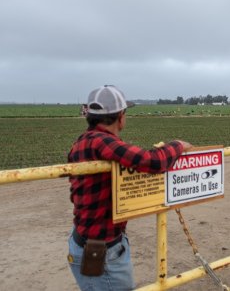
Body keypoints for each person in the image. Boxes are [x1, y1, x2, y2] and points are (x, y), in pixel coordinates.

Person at [67, 85, 192, 291]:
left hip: (86, 240)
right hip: (102, 251)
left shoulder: (81, 141)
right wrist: (177, 145)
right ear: (120, 117)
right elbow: (152, 162)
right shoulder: (102, 141)